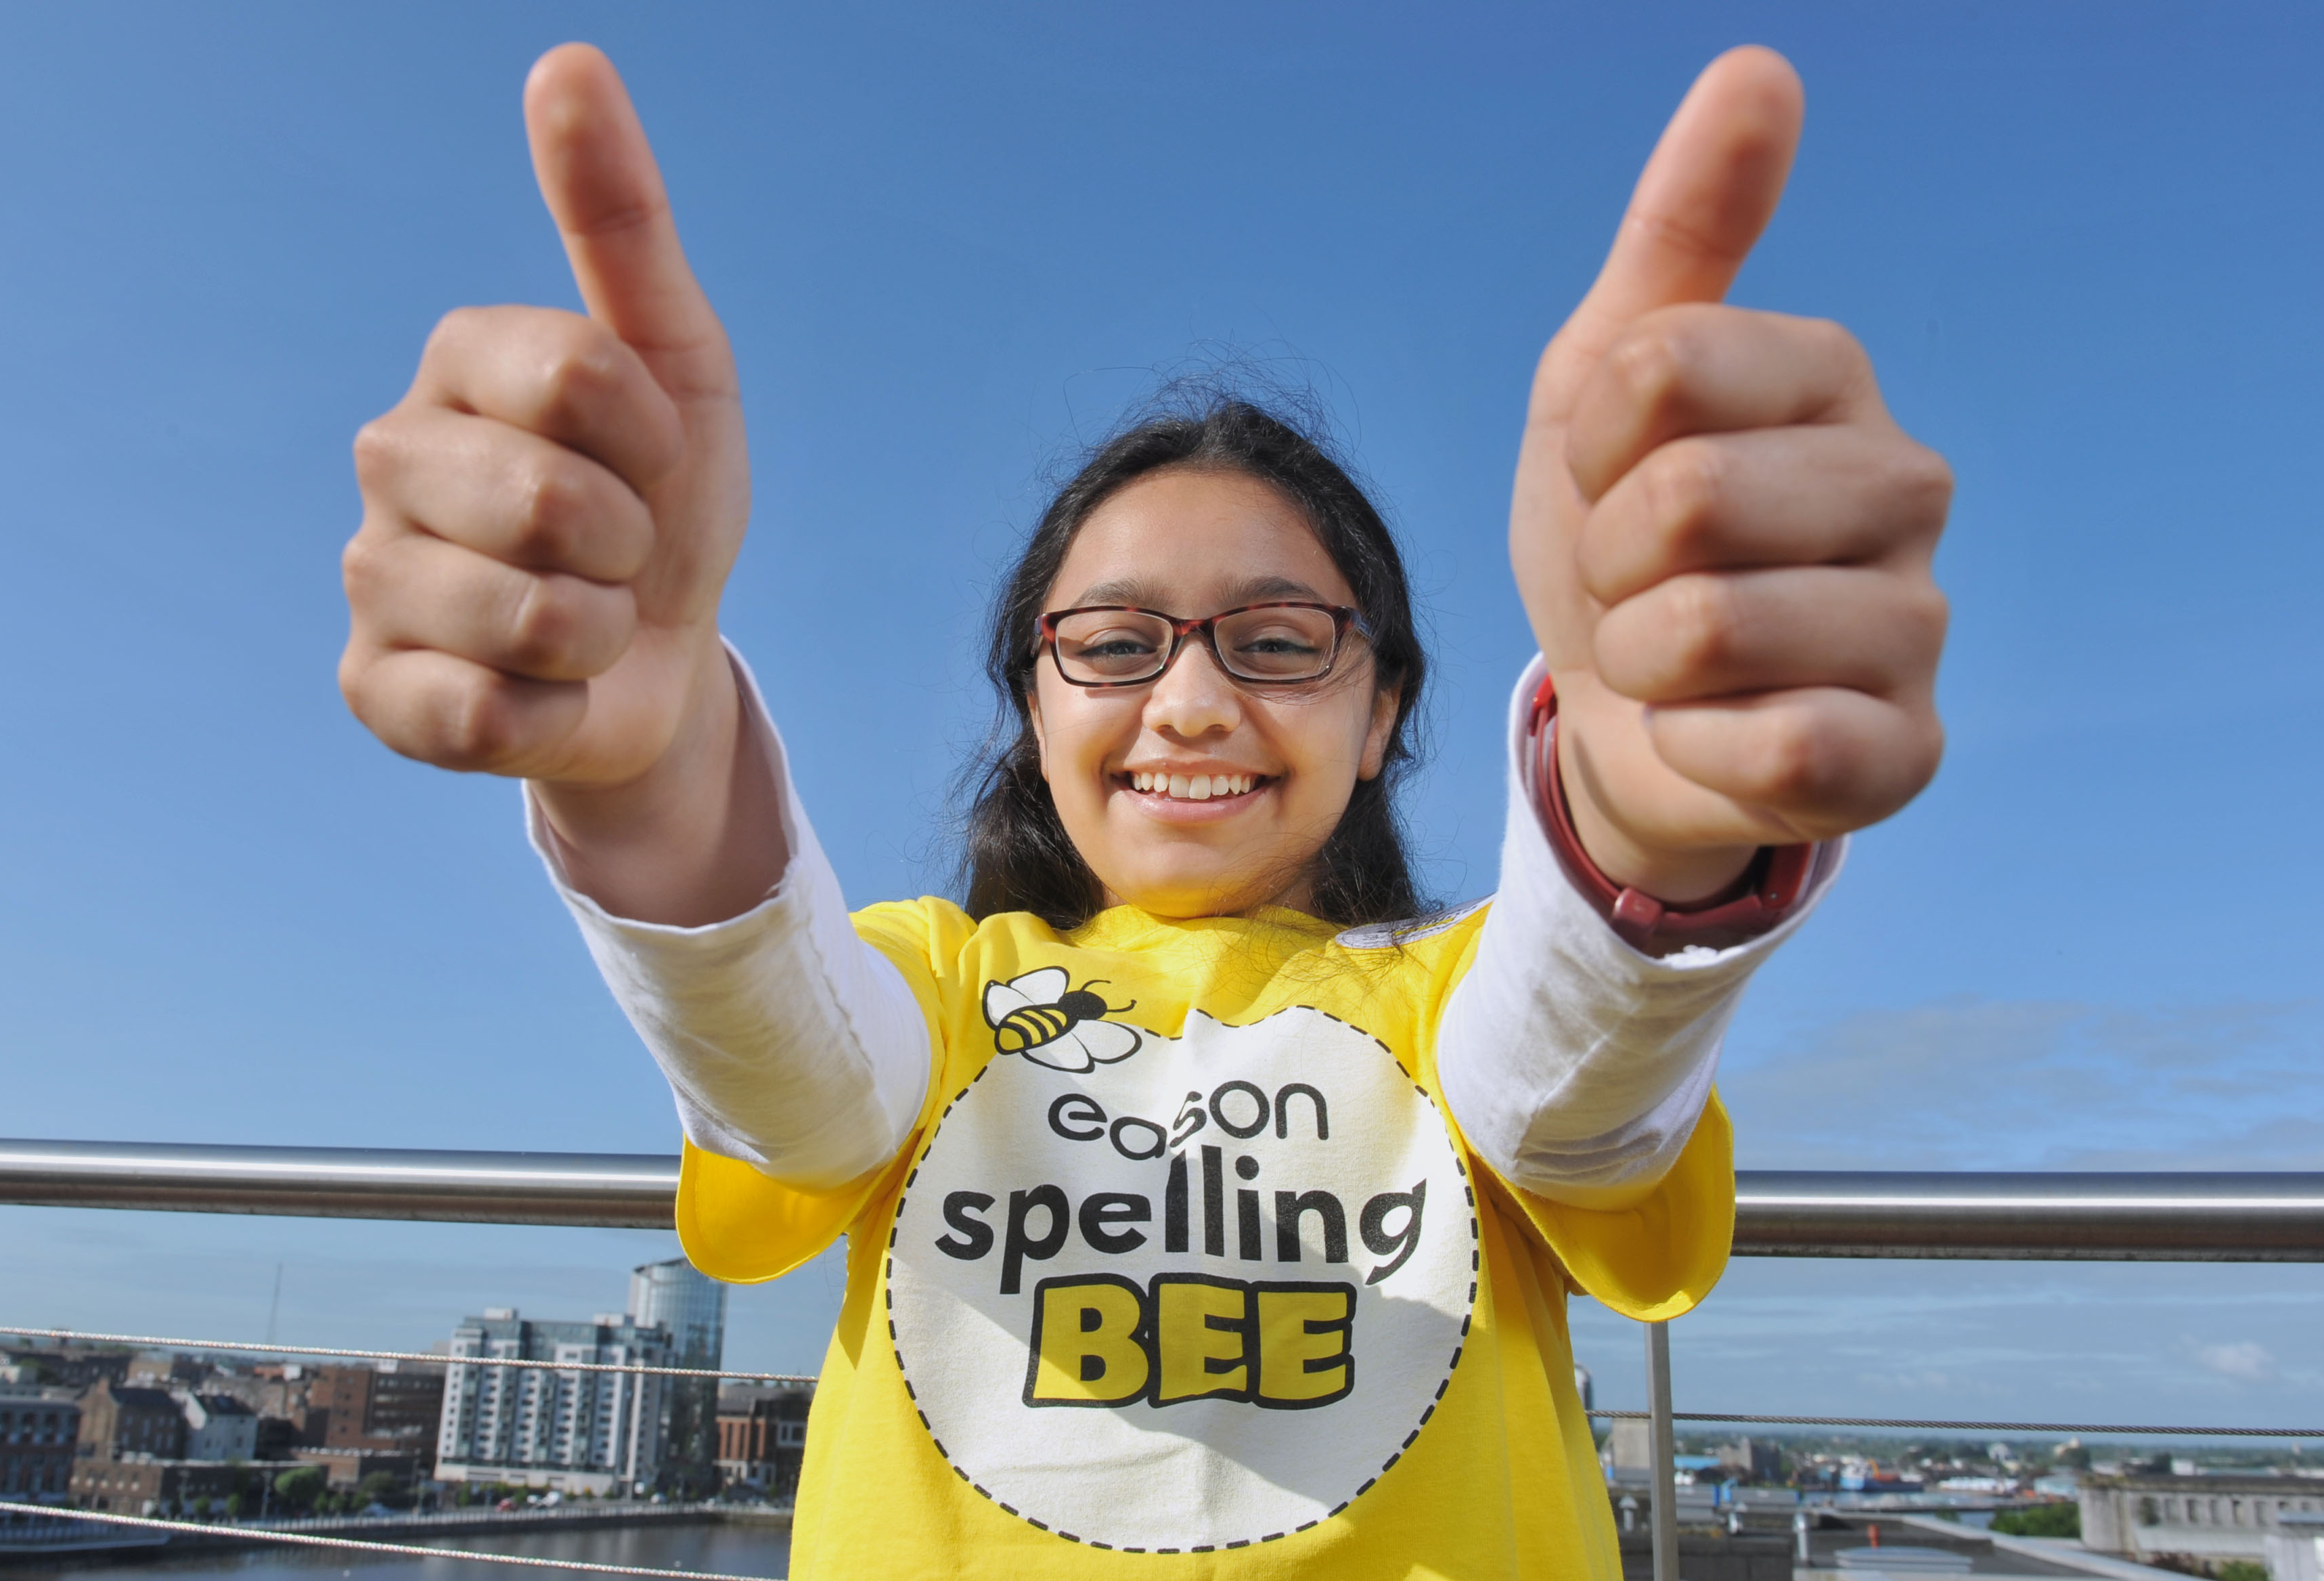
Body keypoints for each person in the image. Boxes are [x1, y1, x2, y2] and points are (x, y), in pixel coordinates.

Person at [338, 40, 1948, 1581]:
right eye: (1111, 645)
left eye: (1277, 643)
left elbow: (1573, 1086)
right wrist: (645, 769)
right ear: (1032, 710)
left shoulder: (1453, 996)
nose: (1188, 702)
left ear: (1384, 710)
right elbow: (795, 1074)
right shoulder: (941, 986)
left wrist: (1646, 822)